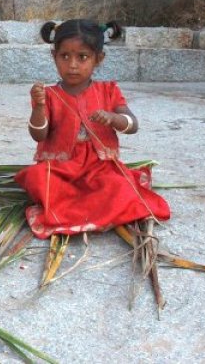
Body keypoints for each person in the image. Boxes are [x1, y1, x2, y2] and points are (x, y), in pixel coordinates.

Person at [15, 19, 170, 239]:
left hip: (100, 167)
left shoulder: (108, 90)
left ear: (99, 59)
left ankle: (78, 209)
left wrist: (114, 118)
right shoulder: (48, 95)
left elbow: (133, 125)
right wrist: (39, 108)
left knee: (118, 185)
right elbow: (38, 135)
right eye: (64, 56)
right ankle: (87, 209)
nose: (73, 65)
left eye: (83, 57)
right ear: (54, 56)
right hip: (61, 167)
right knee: (37, 177)